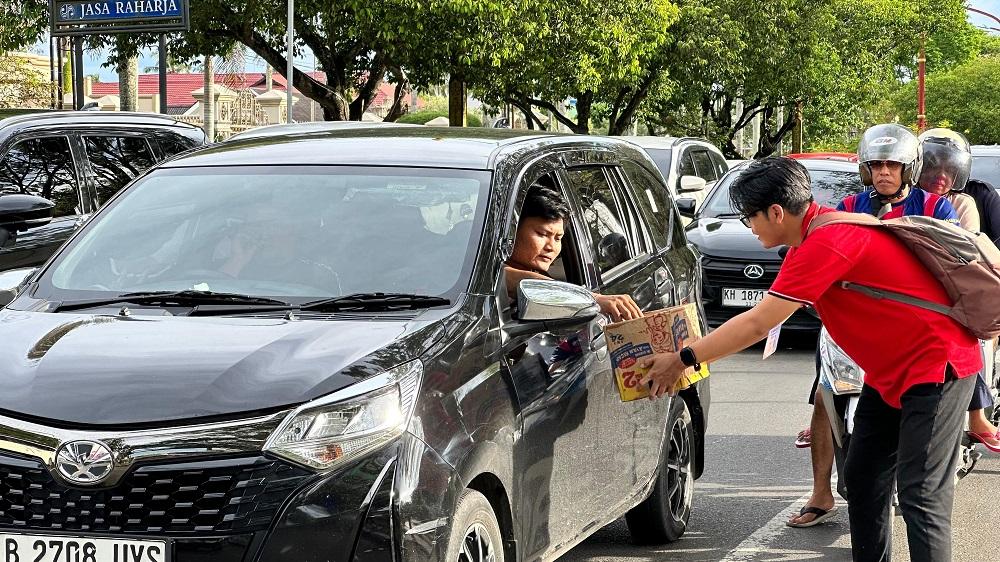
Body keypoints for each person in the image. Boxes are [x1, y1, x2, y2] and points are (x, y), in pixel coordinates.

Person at [638, 156, 981, 561]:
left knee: (921, 493)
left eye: (751, 218)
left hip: (936, 366)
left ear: (776, 212)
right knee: (864, 477)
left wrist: (684, 358)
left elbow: (757, 323)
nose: (750, 227)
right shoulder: (818, 235)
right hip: (890, 373)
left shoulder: (826, 241)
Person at [788, 123, 960, 528]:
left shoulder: (936, 207)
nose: (884, 172)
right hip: (859, 325)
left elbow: (954, 261)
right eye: (876, 165)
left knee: (963, 370)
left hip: (922, 328)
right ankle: (820, 492)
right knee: (823, 392)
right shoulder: (850, 205)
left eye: (893, 165)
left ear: (909, 168)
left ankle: (976, 416)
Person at [918, 127, 1000, 453]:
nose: (941, 176)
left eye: (949, 170)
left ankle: (978, 415)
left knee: (967, 337)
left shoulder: (963, 203)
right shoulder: (897, 196)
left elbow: (964, 250)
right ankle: (825, 411)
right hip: (899, 290)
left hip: (952, 291)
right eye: (933, 168)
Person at [504, 184, 643, 322]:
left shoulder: (538, 272)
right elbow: (512, 279)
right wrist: (593, 299)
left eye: (558, 238)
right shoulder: (490, 272)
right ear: (512, 231)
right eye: (542, 234)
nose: (551, 247)